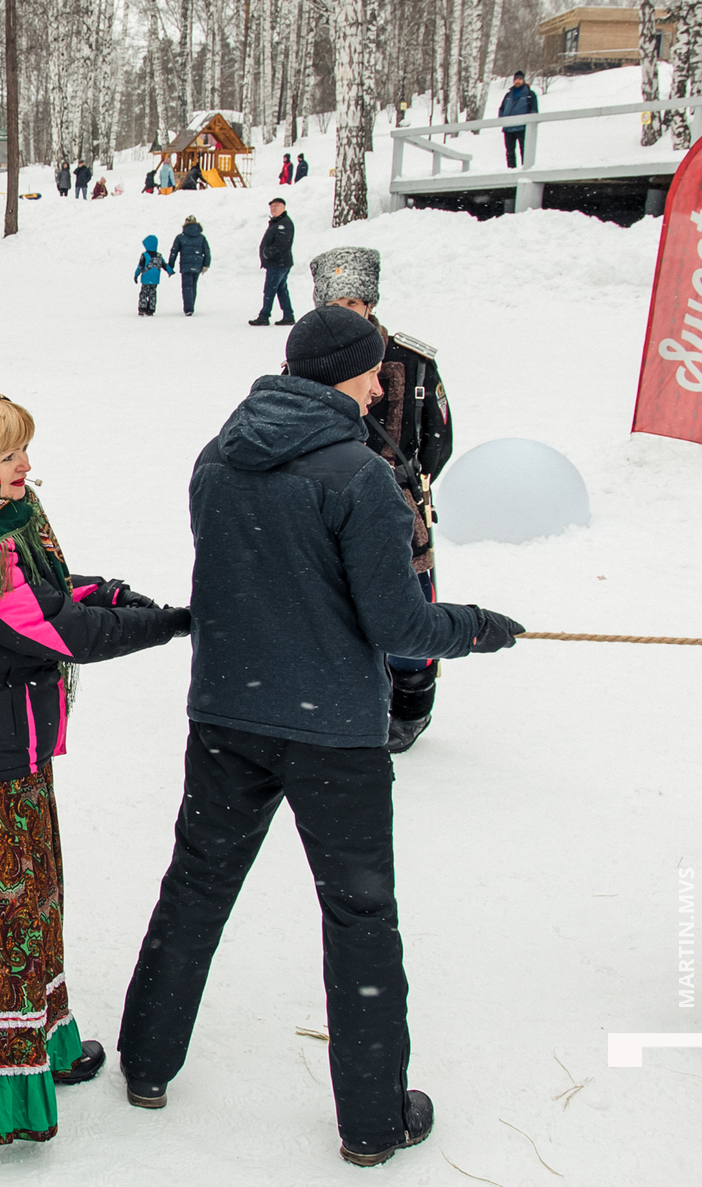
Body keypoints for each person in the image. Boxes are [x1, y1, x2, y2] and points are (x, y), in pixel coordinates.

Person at [116, 308, 524, 1168]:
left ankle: (147, 1064)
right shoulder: (358, 475)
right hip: (333, 733)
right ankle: (374, 1121)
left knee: (195, 886)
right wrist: (475, 627)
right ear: (345, 373)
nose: (382, 385)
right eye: (373, 370)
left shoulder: (217, 458)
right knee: (362, 915)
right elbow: (397, 620)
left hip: (227, 715)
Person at [0, 393, 190, 1146]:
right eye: (6, 456)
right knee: (3, 916)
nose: (25, 466)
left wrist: (109, 590)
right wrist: (167, 624)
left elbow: (53, 592)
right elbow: (56, 628)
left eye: (22, 450)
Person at [310, 248, 455, 753]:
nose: (349, 311)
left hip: (397, 501)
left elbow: (439, 438)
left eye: (356, 301)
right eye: (338, 302)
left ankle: (412, 706)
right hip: (327, 499)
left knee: (408, 606)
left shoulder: (413, 362)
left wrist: (407, 484)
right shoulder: (306, 359)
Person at [249, 197, 296, 327]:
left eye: (276, 206)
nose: (273, 209)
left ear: (284, 207)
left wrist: (267, 253)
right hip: (279, 263)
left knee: (270, 289)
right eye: (272, 206)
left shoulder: (283, 223)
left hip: (278, 263)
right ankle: (288, 315)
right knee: (281, 289)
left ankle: (264, 316)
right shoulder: (278, 222)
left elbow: (280, 244)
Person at [168, 215, 212, 317]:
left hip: (185, 266)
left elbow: (174, 252)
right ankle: (191, 305)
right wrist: (206, 264)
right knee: (193, 286)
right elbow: (207, 252)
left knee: (186, 287)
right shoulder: (201, 237)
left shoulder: (180, 237)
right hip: (197, 264)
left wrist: (170, 266)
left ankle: (188, 309)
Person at [499, 71, 538, 168]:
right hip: (509, 128)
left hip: (523, 127)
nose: (518, 81)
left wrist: (531, 123)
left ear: (523, 80)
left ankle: (526, 169)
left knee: (525, 150)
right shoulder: (508, 95)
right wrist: (502, 120)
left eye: (520, 79)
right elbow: (502, 109)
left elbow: (534, 110)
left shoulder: (529, 94)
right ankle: (511, 170)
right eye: (516, 79)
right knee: (509, 151)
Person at [134, 233, 172, 316]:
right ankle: (151, 309)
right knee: (153, 293)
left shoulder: (145, 255)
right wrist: (170, 271)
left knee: (144, 293)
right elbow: (165, 265)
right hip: (155, 279)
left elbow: (140, 266)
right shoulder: (159, 256)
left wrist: (136, 275)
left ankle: (142, 308)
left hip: (146, 278)